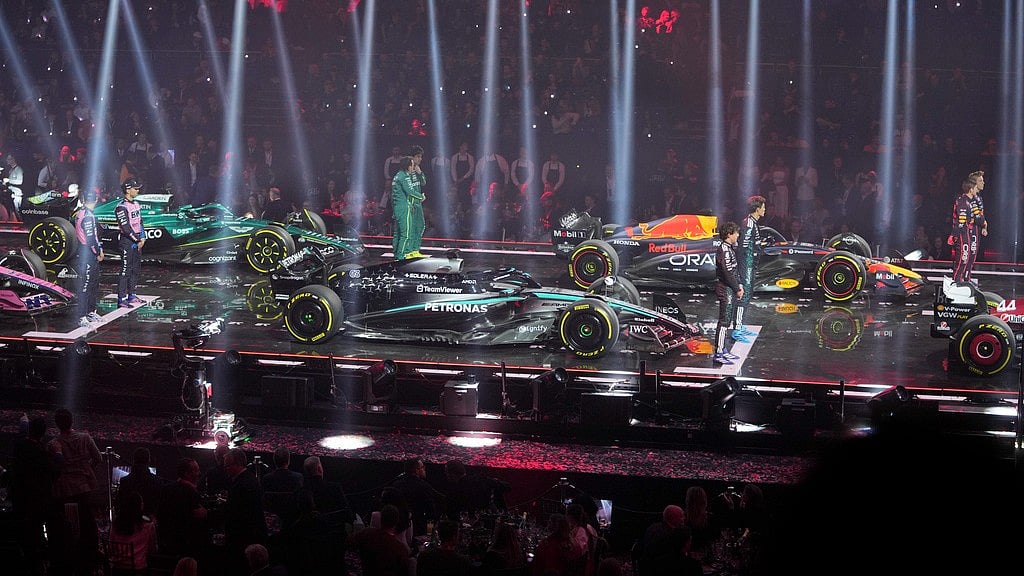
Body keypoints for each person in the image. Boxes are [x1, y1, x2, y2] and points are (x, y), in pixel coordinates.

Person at [48, 407, 103, 575]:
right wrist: (86, 469)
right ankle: (90, 558)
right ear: (72, 421)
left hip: (63, 488)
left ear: (57, 424)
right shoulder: (85, 438)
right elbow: (98, 458)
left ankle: (67, 557)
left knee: (65, 525)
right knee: (88, 522)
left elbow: (51, 468)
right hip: (83, 486)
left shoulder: (53, 444)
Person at [734, 195, 766, 342]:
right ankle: (737, 329)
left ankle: (740, 325)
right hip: (746, 264)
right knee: (744, 295)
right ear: (757, 209)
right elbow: (743, 247)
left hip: (751, 264)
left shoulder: (753, 223)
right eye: (763, 207)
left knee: (748, 294)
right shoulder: (748, 224)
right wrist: (743, 267)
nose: (765, 210)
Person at [949, 170, 987, 286]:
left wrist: (983, 224)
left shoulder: (976, 200)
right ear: (972, 186)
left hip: (973, 231)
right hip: (963, 232)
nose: (983, 183)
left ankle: (966, 279)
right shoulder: (962, 201)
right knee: (963, 256)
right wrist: (954, 235)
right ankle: (956, 281)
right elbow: (961, 220)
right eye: (980, 181)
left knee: (971, 255)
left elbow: (979, 217)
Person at [713, 221, 743, 365]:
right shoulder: (723, 249)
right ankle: (718, 352)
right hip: (725, 288)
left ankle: (723, 349)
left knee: (727, 320)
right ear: (729, 234)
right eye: (736, 232)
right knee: (724, 321)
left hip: (730, 288)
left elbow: (734, 271)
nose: (738, 235)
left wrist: (739, 285)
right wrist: (737, 288)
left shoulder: (729, 248)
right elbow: (727, 272)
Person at [74, 188, 105, 328]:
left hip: (88, 252)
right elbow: (91, 238)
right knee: (86, 286)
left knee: (93, 283)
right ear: (96, 199)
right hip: (87, 253)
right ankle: (81, 316)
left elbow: (94, 236)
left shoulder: (84, 213)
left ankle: (90, 312)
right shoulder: (87, 215)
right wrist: (98, 252)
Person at [108, 491, 158, 572]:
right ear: (140, 506)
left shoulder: (116, 524)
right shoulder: (147, 526)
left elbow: (111, 547)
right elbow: (152, 550)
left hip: (117, 568)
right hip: (138, 569)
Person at [115, 179, 146, 308]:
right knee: (125, 269)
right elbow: (126, 228)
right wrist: (137, 240)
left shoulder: (137, 204)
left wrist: (143, 237)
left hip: (138, 240)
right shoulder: (121, 207)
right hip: (127, 241)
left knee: (135, 269)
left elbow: (140, 222)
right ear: (128, 190)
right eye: (135, 188)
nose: (138, 190)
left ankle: (132, 294)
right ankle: (121, 298)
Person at [391, 155, 426, 259]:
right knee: (405, 233)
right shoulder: (404, 177)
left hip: (398, 207)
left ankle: (396, 253)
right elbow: (410, 191)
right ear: (408, 166)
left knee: (397, 233)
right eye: (412, 165)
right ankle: (401, 255)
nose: (413, 167)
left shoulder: (397, 175)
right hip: (404, 208)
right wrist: (421, 197)